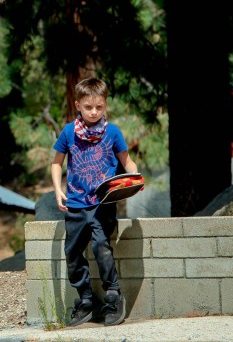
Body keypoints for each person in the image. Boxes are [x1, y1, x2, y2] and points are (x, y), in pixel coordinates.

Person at [50, 77, 138, 327]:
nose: (93, 112)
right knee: (73, 253)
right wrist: (58, 190)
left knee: (101, 246)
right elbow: (56, 163)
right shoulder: (69, 132)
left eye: (99, 107)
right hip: (76, 204)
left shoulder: (112, 132)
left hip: (102, 204)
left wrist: (133, 177)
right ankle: (86, 300)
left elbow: (127, 160)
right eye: (88, 107)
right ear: (78, 105)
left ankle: (113, 296)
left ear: (105, 105)